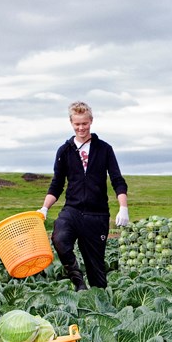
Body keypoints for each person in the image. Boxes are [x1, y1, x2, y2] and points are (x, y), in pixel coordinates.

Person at [38, 101, 129, 291]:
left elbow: (117, 180)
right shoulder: (64, 151)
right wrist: (44, 208)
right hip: (72, 210)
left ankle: (99, 303)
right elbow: (57, 184)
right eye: (77, 124)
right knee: (59, 238)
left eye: (84, 123)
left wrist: (123, 207)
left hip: (97, 215)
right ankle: (79, 283)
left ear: (91, 121)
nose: (81, 128)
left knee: (96, 272)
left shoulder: (104, 149)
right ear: (71, 123)